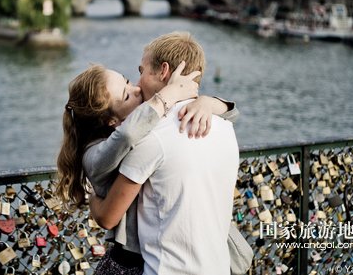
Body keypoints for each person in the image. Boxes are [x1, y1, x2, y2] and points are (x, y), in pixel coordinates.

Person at [56, 32, 238, 274]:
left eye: (139, 72)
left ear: (163, 71)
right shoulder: (225, 128)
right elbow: (127, 135)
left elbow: (107, 216)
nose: (137, 86)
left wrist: (207, 101)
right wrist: (210, 102)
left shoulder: (152, 139)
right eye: (127, 91)